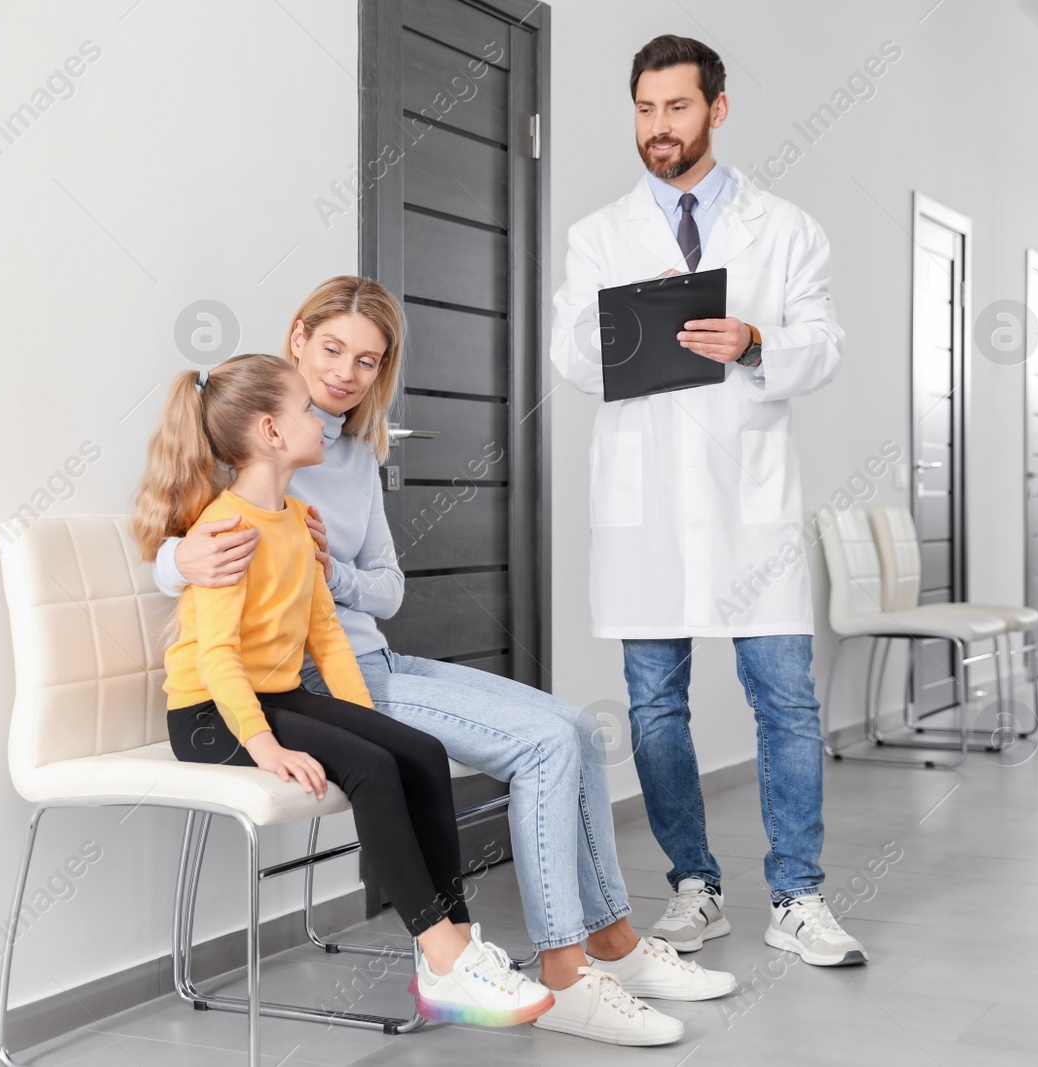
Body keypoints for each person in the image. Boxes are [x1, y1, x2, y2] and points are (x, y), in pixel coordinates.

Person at [152, 277, 738, 1047]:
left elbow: (384, 590)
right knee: (543, 744)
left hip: (371, 658)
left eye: (368, 361)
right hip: (305, 687)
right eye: (332, 350)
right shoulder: (248, 425)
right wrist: (181, 556)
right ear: (297, 340)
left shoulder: (352, 454)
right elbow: (183, 556)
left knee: (570, 724)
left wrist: (333, 569)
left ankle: (613, 945)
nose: (345, 373)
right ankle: (561, 975)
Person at [548, 35, 865, 968]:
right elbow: (569, 352)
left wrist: (757, 342)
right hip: (645, 501)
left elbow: (826, 341)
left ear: (716, 110)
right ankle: (695, 886)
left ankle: (799, 895)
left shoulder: (789, 228)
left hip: (750, 497)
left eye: (676, 109)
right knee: (653, 707)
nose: (658, 129)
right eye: (645, 110)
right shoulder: (598, 236)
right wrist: (627, 333)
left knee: (787, 702)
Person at [133, 352, 554, 1027]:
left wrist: (363, 718)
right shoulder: (227, 530)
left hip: (274, 695)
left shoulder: (296, 518)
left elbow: (326, 630)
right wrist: (263, 745)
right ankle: (441, 949)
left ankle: (456, 944)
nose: (321, 420)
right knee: (373, 769)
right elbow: (214, 657)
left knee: (414, 750)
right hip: (212, 713)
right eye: (306, 408)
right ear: (271, 432)